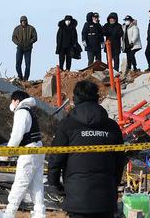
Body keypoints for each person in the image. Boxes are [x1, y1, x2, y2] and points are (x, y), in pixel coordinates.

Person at [46, 80, 127, 218]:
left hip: (77, 197)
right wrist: (114, 185)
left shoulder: (67, 125)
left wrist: (54, 184)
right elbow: (120, 161)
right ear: (97, 98)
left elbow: (56, 158)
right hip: (105, 197)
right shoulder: (112, 127)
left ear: (75, 99)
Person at [3, 91, 46, 218]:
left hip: (29, 151)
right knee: (36, 184)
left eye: (12, 101)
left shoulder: (21, 112)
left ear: (16, 101)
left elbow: (17, 135)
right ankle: (39, 213)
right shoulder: (30, 111)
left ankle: (9, 213)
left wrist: (9, 151)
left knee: (21, 181)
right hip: (38, 149)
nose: (11, 104)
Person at [11, 15, 38, 81]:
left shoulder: (31, 28)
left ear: (26, 21)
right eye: (22, 21)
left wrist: (29, 42)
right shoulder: (17, 28)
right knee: (18, 64)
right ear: (20, 21)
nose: (23, 22)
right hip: (19, 48)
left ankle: (26, 79)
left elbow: (35, 37)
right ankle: (20, 77)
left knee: (28, 65)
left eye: (24, 21)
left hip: (28, 49)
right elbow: (13, 37)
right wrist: (18, 43)